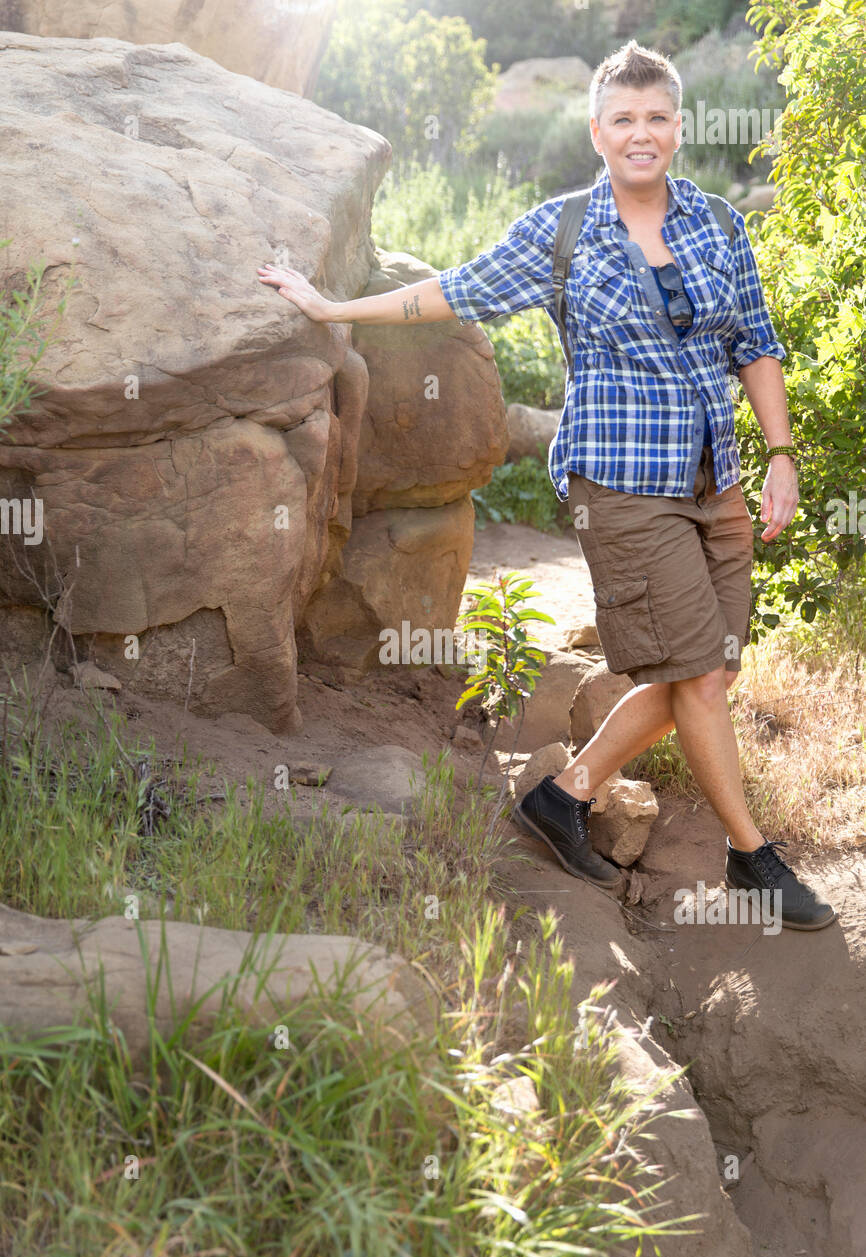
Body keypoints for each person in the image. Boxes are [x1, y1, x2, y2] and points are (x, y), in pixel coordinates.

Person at [255, 40, 836, 932]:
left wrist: (782, 453)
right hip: (622, 483)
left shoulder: (719, 222)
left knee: (704, 669)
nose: (640, 134)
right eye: (623, 120)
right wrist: (334, 308)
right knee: (703, 682)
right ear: (596, 130)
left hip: (716, 477)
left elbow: (756, 342)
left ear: (678, 128)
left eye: (656, 118)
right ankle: (752, 857)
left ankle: (562, 796)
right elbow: (455, 290)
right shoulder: (561, 230)